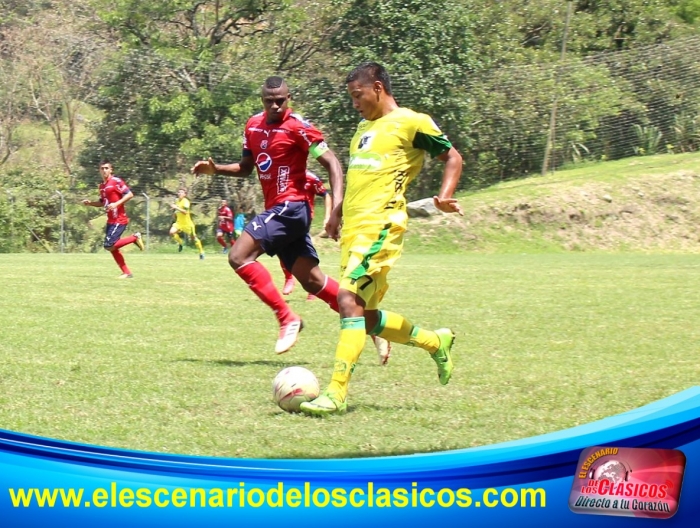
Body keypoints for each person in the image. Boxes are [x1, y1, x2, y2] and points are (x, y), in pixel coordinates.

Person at [300, 62, 464, 416]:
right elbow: (360, 177)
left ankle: (336, 393)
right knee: (366, 316)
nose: (354, 103)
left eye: (357, 96)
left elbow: (452, 156)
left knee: (347, 299)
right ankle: (436, 342)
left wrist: (445, 195)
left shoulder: (412, 121)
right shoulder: (362, 128)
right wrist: (336, 214)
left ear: (377, 88)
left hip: (382, 227)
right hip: (355, 230)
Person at [191, 75, 389, 360]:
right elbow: (247, 167)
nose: (275, 106)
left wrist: (337, 206)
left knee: (238, 256)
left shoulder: (298, 127)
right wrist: (216, 169)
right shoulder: (253, 126)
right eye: (269, 101)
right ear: (262, 100)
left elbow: (332, 161)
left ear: (289, 98)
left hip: (292, 207)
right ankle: (373, 326)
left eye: (280, 100)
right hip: (279, 210)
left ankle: (287, 318)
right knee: (312, 282)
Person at [81, 160, 144, 278]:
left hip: (119, 219)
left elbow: (129, 194)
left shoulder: (116, 181)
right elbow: (102, 202)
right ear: (100, 170)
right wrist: (90, 203)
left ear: (111, 170)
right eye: (102, 168)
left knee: (108, 245)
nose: (104, 170)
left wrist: (116, 204)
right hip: (111, 220)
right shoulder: (102, 186)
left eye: (106, 168)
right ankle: (127, 272)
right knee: (112, 248)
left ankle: (134, 237)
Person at [280, 170, 332, 298]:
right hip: (284, 217)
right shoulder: (283, 176)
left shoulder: (311, 178)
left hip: (302, 220)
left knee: (305, 253)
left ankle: (313, 288)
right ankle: (289, 278)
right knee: (280, 249)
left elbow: (326, 195)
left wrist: (327, 217)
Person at [170, 188, 205, 260]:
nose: (179, 193)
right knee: (171, 232)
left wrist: (176, 207)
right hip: (179, 222)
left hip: (187, 224)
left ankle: (201, 252)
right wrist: (174, 212)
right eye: (179, 192)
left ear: (185, 194)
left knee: (194, 238)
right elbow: (177, 210)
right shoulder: (177, 201)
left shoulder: (186, 202)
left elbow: (185, 212)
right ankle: (180, 243)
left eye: (181, 192)